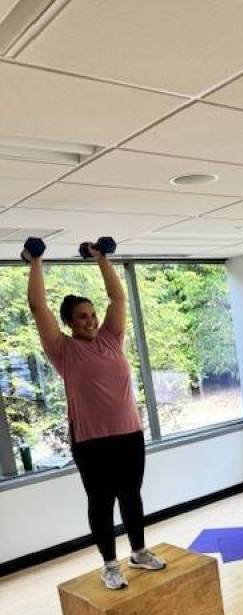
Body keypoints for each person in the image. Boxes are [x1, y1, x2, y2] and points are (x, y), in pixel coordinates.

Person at [25, 240, 166, 589]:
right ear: (69, 322)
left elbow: (118, 299)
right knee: (101, 503)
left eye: (92, 315)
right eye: (82, 317)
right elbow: (38, 306)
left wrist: (102, 259)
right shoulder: (62, 350)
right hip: (91, 442)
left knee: (131, 496)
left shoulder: (111, 339)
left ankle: (139, 552)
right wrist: (36, 261)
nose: (90, 321)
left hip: (129, 434)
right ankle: (110, 565)